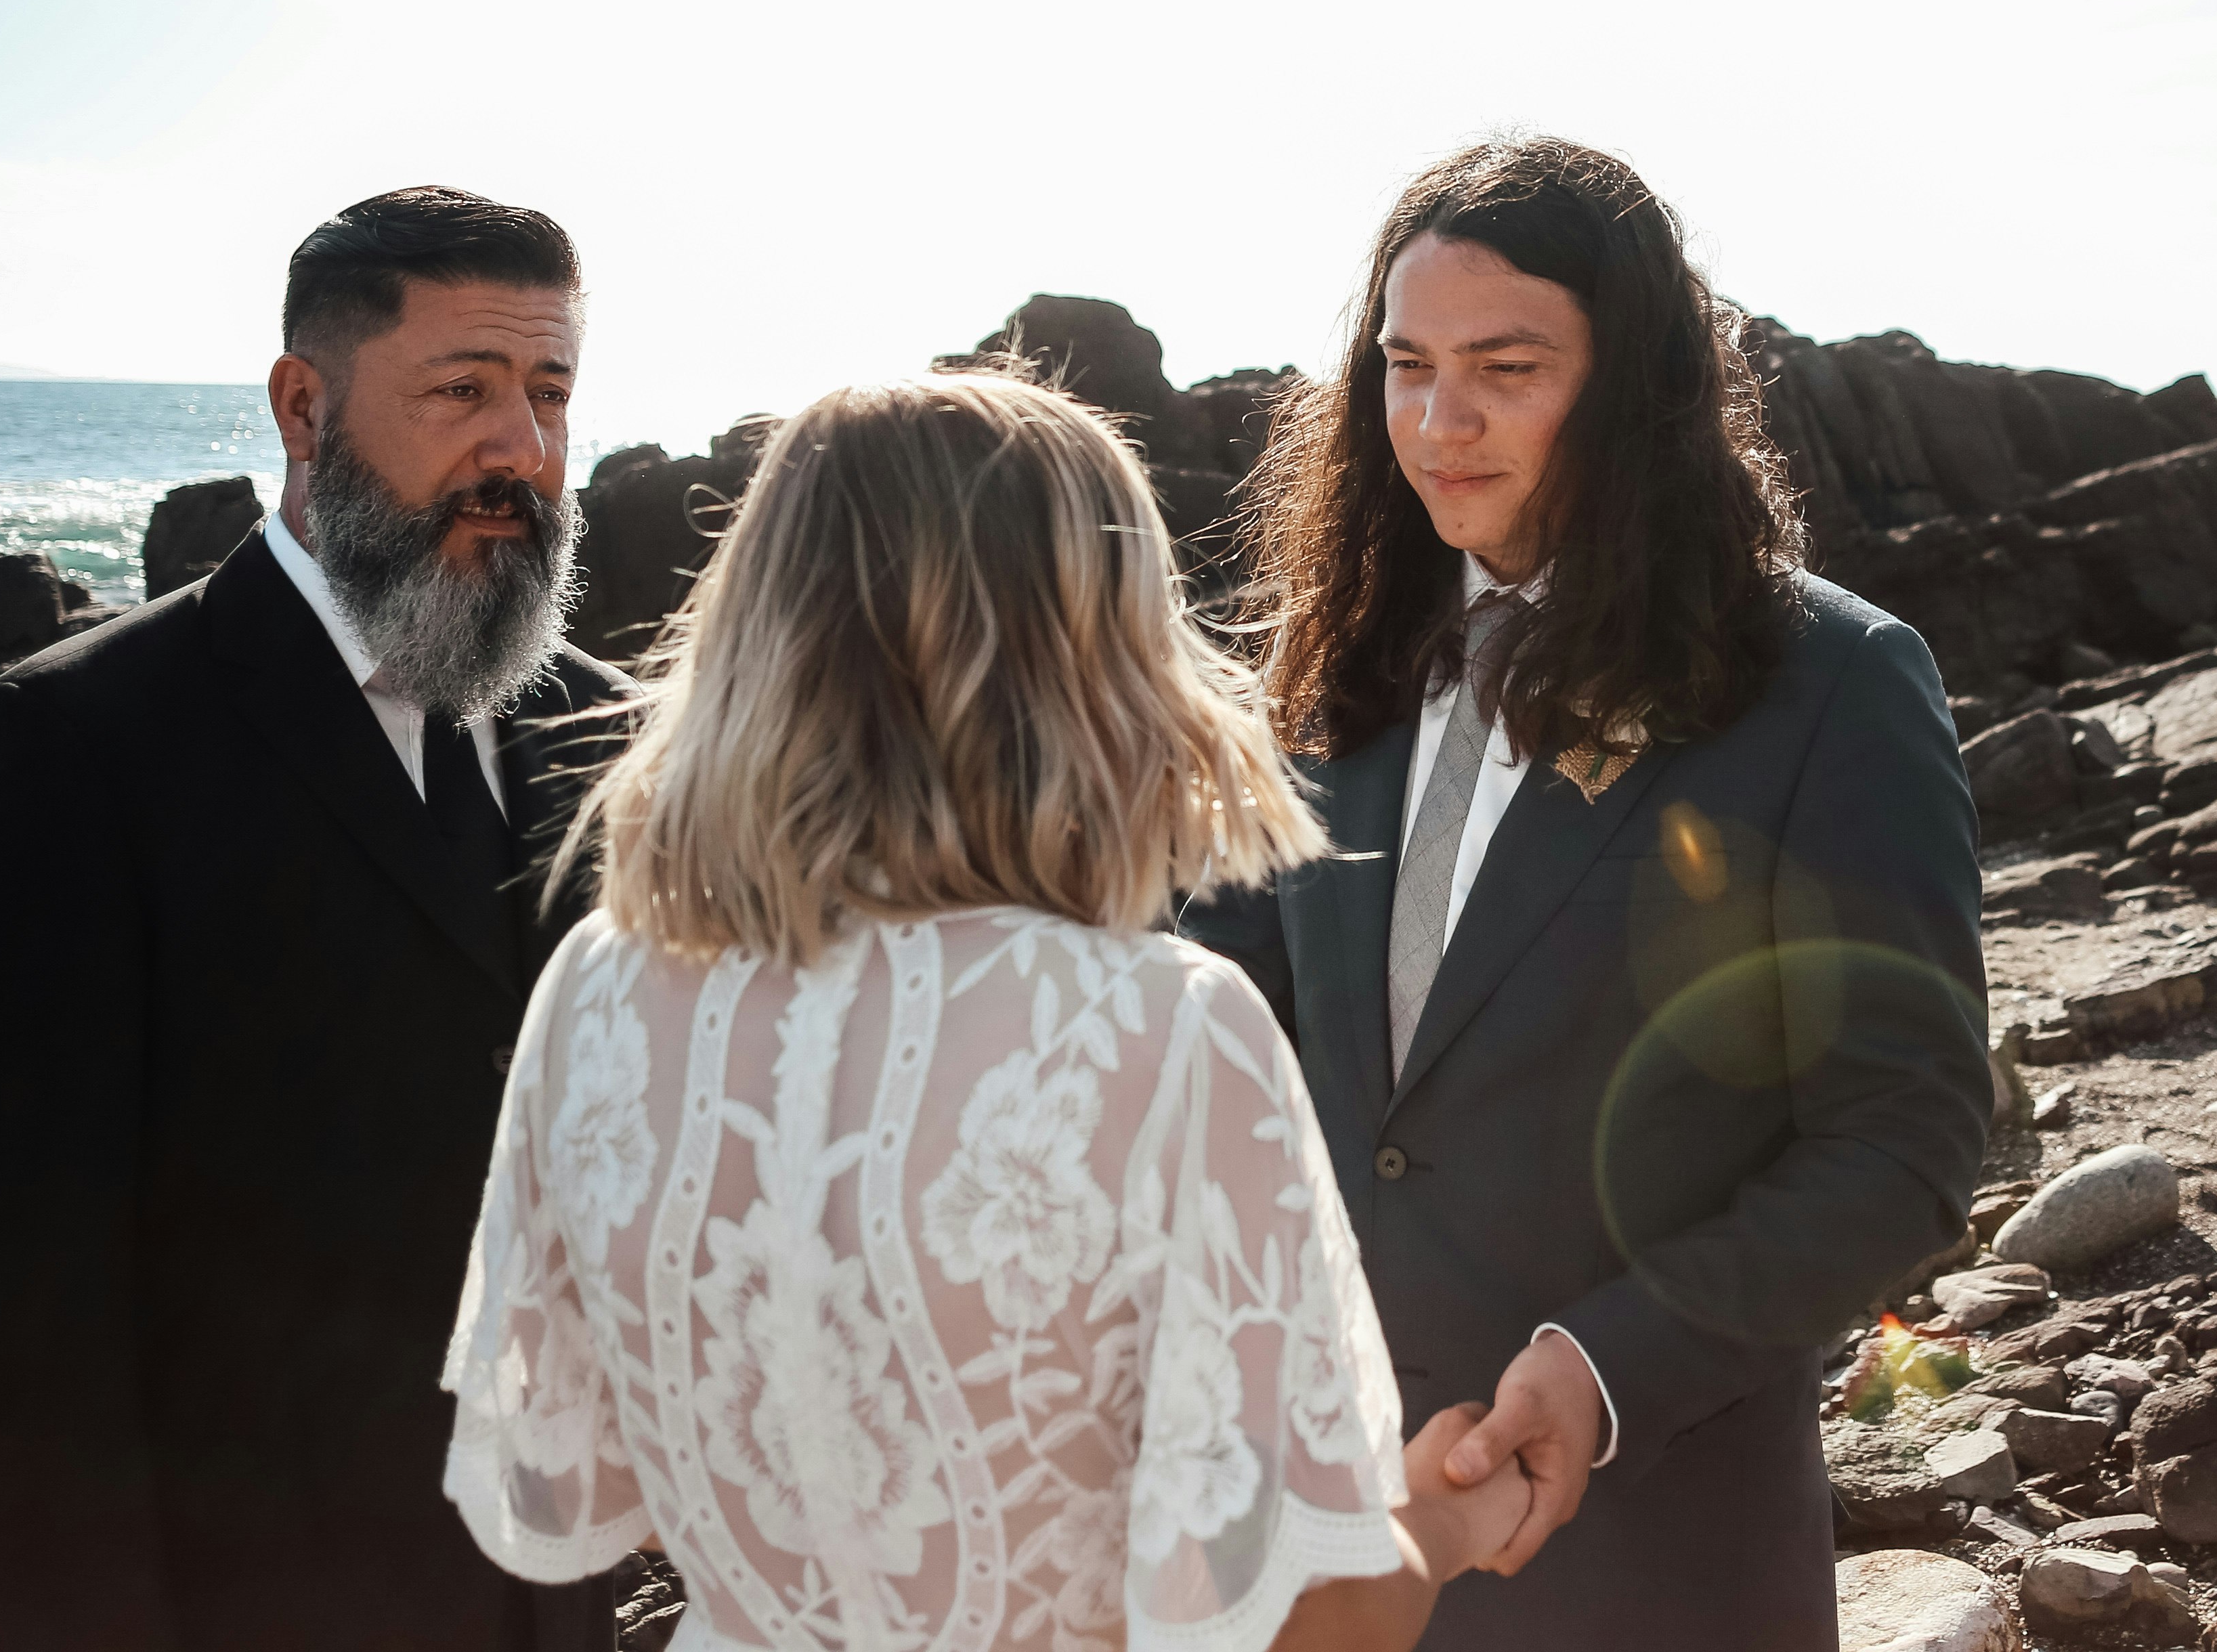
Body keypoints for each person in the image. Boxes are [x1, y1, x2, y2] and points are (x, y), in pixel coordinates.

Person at [441, 370, 1530, 1652]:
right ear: (1097, 653)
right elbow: (1315, 1625)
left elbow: (597, 1479)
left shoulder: (600, 992)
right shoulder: (1164, 1034)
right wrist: (1447, 1522)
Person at [1180, 136, 1996, 1649]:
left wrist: (1614, 1367)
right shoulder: (1323, 666)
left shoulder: (1831, 683)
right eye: (1406, 365)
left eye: (1508, 366)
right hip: (1326, 1539)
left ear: (1633, 387)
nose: (1442, 420)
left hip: (1654, 1555)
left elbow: (1908, 1134)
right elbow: (1211, 1033)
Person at [0, 187, 632, 1652]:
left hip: (553, 1604)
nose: (521, 452)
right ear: (303, 405)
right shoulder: (75, 749)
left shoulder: (605, 734)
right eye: (463, 391)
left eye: (550, 396)